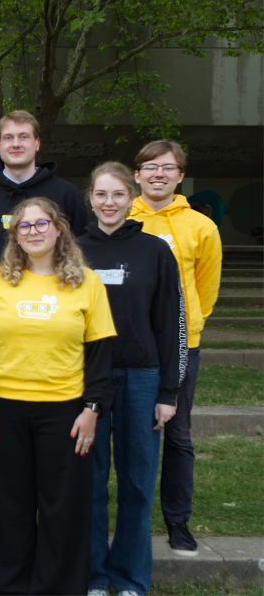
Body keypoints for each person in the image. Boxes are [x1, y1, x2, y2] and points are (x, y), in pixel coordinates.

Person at [0, 110, 87, 550]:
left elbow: (82, 257)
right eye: (7, 137)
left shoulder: (65, 195)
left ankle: (49, 519)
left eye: (23, 137)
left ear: (37, 143)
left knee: (50, 437)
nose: (15, 144)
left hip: (54, 326)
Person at [0, 197, 115, 596]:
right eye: (24, 226)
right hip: (4, 412)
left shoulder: (87, 282)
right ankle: (7, 587)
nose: (33, 232)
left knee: (63, 509)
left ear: (59, 229)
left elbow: (101, 357)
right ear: (14, 234)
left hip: (67, 412)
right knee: (8, 508)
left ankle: (57, 588)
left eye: (42, 224)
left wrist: (92, 408)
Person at [77, 161, 185, 596]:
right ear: (90, 198)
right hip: (89, 382)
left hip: (142, 379)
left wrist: (168, 392)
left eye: (118, 195)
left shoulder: (155, 250)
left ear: (130, 198)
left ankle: (130, 579)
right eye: (101, 195)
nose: (109, 203)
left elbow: (171, 322)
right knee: (91, 483)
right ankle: (95, 576)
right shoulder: (74, 249)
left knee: (138, 483)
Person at [128, 140, 222, 558]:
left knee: (178, 435)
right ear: (137, 174)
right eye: (150, 167)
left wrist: (189, 325)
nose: (158, 174)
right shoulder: (122, 217)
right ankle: (127, 520)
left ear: (181, 175)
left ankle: (178, 522)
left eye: (167, 168)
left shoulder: (201, 227)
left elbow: (206, 286)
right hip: (129, 342)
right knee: (125, 434)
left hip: (182, 345)